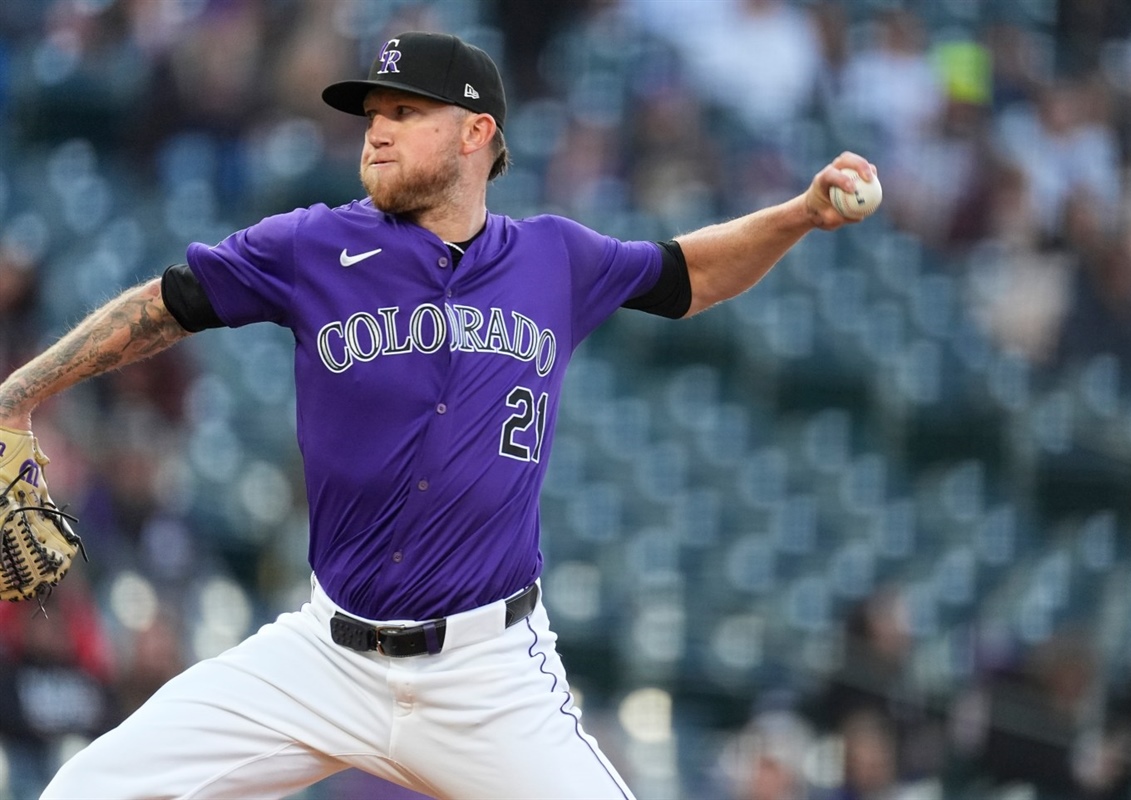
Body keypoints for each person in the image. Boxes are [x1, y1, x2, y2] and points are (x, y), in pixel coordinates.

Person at [0, 30, 876, 800]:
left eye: (403, 111)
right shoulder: (311, 244)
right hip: (326, 656)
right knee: (90, 787)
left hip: (488, 675)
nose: (374, 129)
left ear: (475, 133)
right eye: (369, 112)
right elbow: (168, 303)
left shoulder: (556, 259)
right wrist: (17, 395)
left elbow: (689, 275)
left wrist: (798, 214)